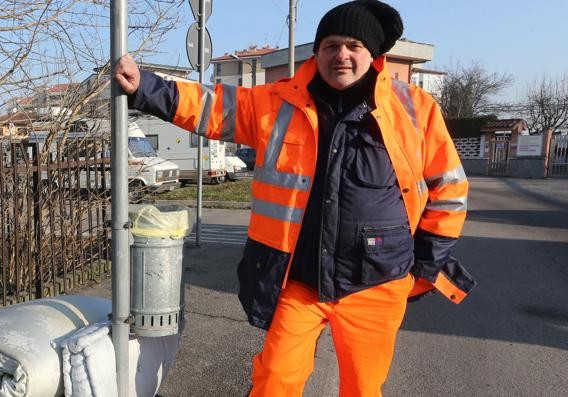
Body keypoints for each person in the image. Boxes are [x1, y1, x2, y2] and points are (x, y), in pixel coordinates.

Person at [113, 1, 475, 396]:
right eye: (331, 45)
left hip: (377, 282)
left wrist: (428, 258)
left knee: (364, 387)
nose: (342, 55)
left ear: (373, 56)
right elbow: (212, 106)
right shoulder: (276, 102)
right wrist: (144, 87)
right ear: (317, 52)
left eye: (354, 45)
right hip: (298, 281)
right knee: (274, 382)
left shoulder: (415, 109)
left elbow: (450, 188)